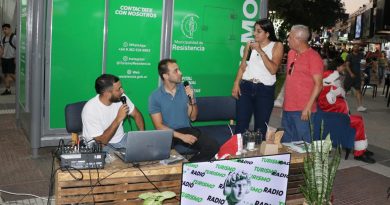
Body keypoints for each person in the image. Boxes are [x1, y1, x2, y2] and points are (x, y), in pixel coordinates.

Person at [149, 59, 219, 162]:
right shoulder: (155, 96)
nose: (180, 73)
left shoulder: (186, 89)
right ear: (165, 76)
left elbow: (193, 117)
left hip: (186, 129)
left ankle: (189, 167)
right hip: (167, 133)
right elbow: (158, 126)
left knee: (212, 146)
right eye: (176, 71)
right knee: (162, 156)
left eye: (179, 69)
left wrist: (192, 101)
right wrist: (182, 136)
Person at [232, 18, 283, 139]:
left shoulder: (277, 45)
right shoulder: (249, 45)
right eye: (254, 30)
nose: (254, 33)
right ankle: (237, 154)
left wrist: (260, 51)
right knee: (241, 125)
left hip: (264, 90)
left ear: (267, 33)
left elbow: (273, 69)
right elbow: (243, 66)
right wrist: (236, 84)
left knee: (260, 128)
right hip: (246, 87)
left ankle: (256, 156)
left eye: (258, 31)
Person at [318, 57, 375, 164]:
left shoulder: (331, 88)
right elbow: (332, 106)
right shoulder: (330, 92)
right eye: (343, 66)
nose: (344, 67)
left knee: (358, 120)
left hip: (337, 117)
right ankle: (359, 152)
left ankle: (362, 149)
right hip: (335, 120)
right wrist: (339, 95)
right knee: (358, 121)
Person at [282, 25, 323, 142]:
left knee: (303, 146)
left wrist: (308, 107)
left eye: (290, 37)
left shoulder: (314, 57)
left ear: (298, 39)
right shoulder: (291, 53)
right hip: (288, 108)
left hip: (303, 110)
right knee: (286, 143)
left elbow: (319, 84)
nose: (288, 39)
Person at [82, 74, 145, 151]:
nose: (122, 91)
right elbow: (101, 142)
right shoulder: (90, 109)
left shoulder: (121, 97)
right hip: (100, 146)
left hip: (121, 140)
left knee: (146, 149)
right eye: (118, 89)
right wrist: (118, 119)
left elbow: (137, 114)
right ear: (107, 93)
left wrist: (142, 137)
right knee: (118, 160)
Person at [344, 45, 367, 112]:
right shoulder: (349, 56)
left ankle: (360, 106)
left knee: (358, 90)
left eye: (357, 47)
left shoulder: (361, 55)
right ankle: (339, 104)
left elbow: (363, 65)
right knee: (345, 90)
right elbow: (347, 65)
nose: (356, 48)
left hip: (358, 76)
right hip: (350, 76)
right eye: (355, 47)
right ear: (353, 48)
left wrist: (363, 73)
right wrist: (351, 73)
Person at [0, 24, 16, 95]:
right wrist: (1, 57)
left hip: (11, 58)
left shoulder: (14, 37)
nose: (4, 30)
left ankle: (21, 86)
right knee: (5, 75)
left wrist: (15, 58)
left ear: (10, 29)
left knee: (11, 74)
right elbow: (2, 49)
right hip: (4, 58)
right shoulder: (3, 38)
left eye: (6, 29)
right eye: (3, 29)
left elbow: (18, 48)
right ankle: (8, 90)